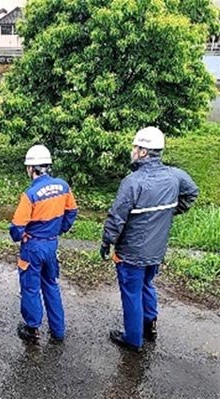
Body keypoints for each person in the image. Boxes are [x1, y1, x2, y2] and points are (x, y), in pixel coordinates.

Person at [101, 126, 198, 352]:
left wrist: (107, 241)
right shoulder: (176, 176)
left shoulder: (133, 182)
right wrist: (172, 210)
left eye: (135, 147)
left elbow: (117, 217)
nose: (132, 151)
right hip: (156, 250)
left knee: (131, 292)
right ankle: (149, 326)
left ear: (143, 152)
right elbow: (192, 192)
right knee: (147, 284)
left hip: (132, 252)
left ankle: (133, 339)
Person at [10, 145, 78, 343]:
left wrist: (20, 236)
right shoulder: (63, 186)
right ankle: (58, 331)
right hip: (51, 245)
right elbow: (72, 211)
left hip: (33, 247)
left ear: (31, 169)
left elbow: (16, 226)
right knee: (51, 285)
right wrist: (60, 229)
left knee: (30, 288)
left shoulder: (30, 194)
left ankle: (32, 329)